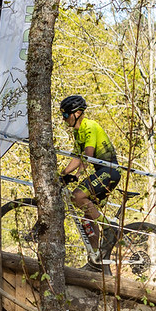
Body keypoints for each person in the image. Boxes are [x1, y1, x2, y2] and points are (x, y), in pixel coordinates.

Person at [58, 95, 121, 263]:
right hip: (103, 171)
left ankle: (108, 227)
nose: (64, 120)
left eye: (66, 115)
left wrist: (77, 175)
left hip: (109, 171)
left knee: (76, 196)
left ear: (77, 113)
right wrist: (61, 174)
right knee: (88, 218)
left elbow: (88, 155)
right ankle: (96, 257)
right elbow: (76, 158)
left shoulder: (89, 126)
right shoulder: (77, 132)